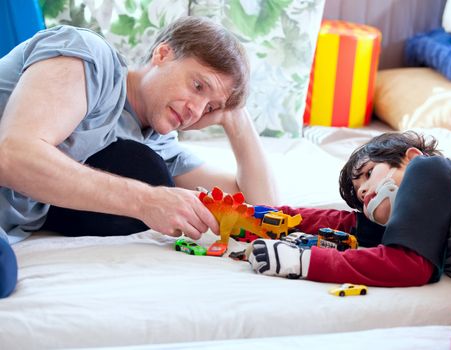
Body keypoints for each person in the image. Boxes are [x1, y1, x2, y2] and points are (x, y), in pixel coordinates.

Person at [0, 16, 278, 298]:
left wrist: (236, 118)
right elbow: (13, 154)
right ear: (163, 53)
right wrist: (147, 200)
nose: (197, 110)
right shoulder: (88, 56)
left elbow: (263, 209)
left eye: (210, 108)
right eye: (198, 86)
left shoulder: (156, 142)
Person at [248, 131, 451, 349]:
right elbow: (341, 224)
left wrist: (304, 261)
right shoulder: (418, 222)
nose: (365, 189)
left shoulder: (427, 168)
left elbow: (408, 264)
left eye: (369, 173)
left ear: (411, 157)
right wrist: (255, 217)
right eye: (360, 194)